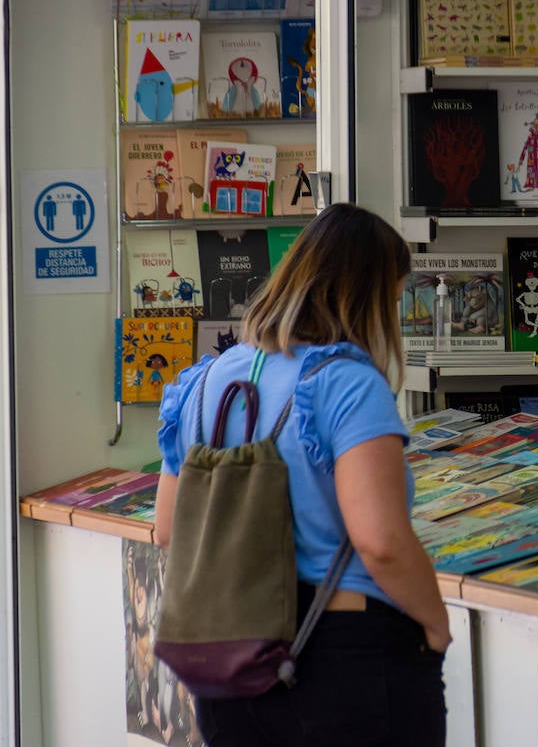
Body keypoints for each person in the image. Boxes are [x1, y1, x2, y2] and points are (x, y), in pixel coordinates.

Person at [153, 203, 450, 747]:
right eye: (393, 296)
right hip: (343, 656)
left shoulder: (203, 381)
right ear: (367, 297)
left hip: (229, 660)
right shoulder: (346, 384)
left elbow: (169, 531)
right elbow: (381, 542)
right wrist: (435, 626)